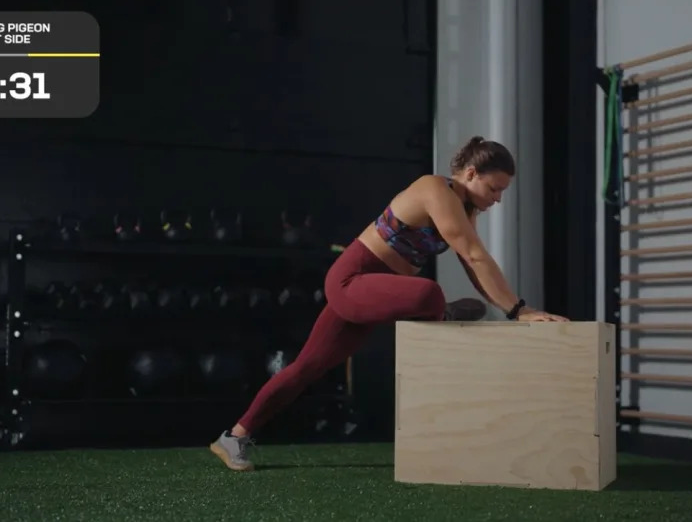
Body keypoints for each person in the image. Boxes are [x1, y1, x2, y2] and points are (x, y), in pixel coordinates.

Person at [209, 135, 569, 471]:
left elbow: (474, 267)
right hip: (351, 281)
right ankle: (439, 314)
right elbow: (476, 256)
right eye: (494, 189)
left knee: (306, 367)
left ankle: (234, 436)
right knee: (429, 294)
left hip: (377, 292)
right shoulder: (434, 188)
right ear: (471, 173)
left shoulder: (466, 210)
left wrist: (513, 312)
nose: (498, 199)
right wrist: (520, 311)